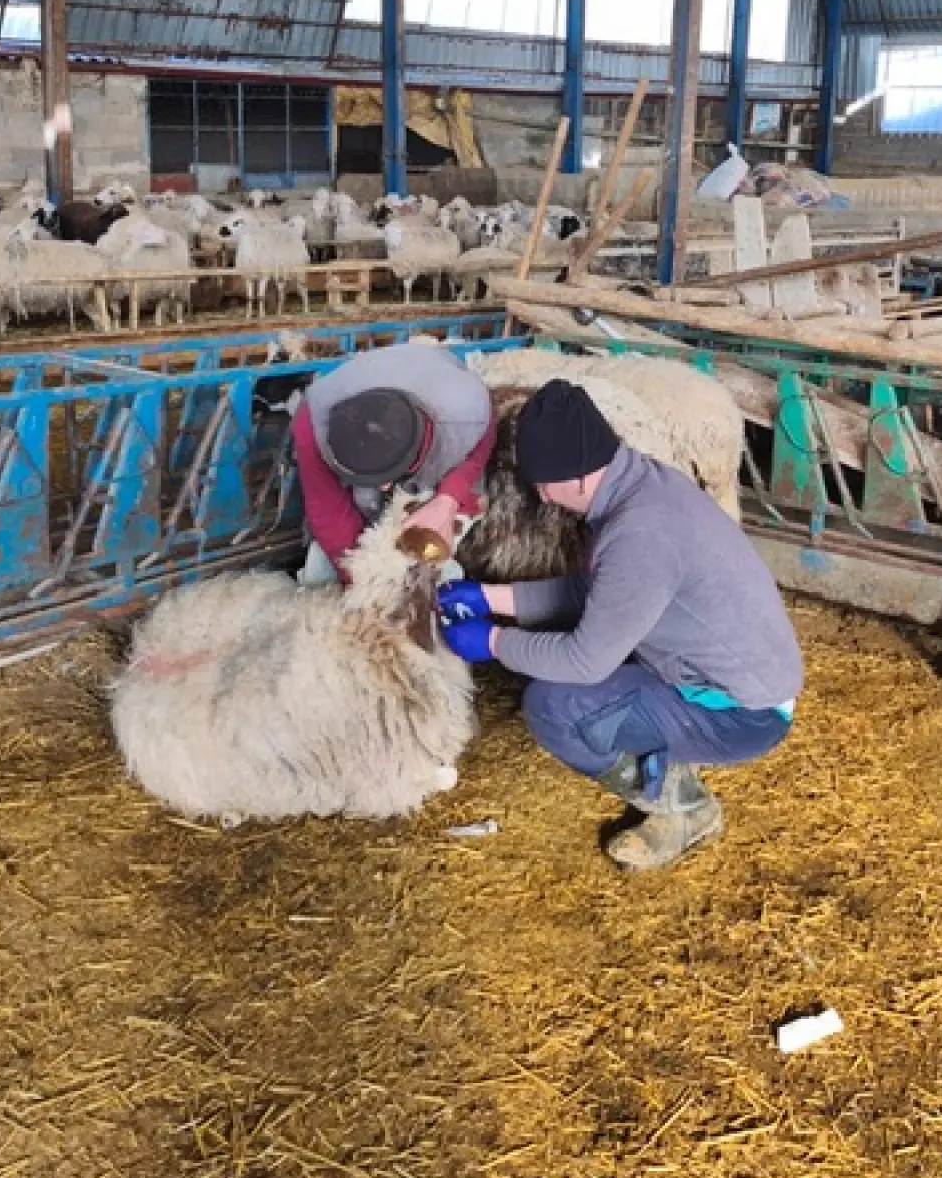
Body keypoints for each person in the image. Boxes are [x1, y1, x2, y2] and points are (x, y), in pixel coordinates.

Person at [437, 379, 803, 871]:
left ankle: (685, 808)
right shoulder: (644, 487)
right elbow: (597, 594)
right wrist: (489, 598)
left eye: (543, 482)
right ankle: (670, 747)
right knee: (590, 658)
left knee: (554, 705)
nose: (541, 495)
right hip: (725, 675)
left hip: (744, 713)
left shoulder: (640, 532)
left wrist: (494, 641)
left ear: (578, 476)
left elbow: (585, 661)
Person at [292, 341, 495, 581]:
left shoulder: (466, 412)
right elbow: (327, 508)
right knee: (325, 566)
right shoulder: (314, 426)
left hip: (437, 393)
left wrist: (449, 498)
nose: (383, 487)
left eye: (384, 481)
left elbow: (482, 437)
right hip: (373, 394)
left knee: (449, 529)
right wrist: (362, 577)